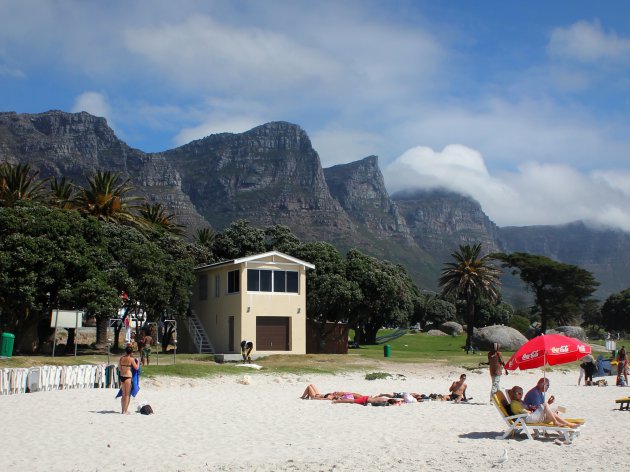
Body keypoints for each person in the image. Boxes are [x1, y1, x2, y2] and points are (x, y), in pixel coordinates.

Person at [508, 386, 578, 428]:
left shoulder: (539, 392)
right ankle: (556, 421)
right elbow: (530, 411)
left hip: (534, 415)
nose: (521, 394)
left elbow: (538, 407)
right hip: (528, 418)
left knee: (557, 408)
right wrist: (534, 408)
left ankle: (569, 423)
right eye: (519, 393)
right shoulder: (534, 394)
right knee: (546, 405)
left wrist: (547, 404)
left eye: (522, 392)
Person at [118, 345, 139, 414]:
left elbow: (119, 368)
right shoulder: (131, 359)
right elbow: (136, 368)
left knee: (123, 394)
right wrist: (138, 362)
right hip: (128, 376)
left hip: (122, 376)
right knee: (127, 395)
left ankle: (122, 410)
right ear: (131, 352)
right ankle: (125, 410)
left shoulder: (121, 358)